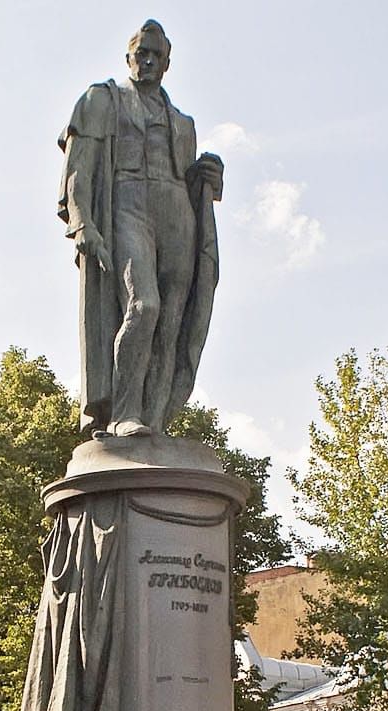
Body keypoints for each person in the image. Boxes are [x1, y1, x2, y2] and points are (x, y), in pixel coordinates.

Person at [59, 20, 223, 438]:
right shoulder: (103, 100)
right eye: (141, 53)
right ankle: (123, 413)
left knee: (171, 321)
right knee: (143, 305)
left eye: (157, 56)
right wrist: (82, 223)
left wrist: (209, 178)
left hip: (176, 213)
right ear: (128, 58)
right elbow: (79, 166)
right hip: (127, 204)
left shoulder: (183, 123)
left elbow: (189, 181)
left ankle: (154, 421)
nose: (148, 61)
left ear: (168, 64)